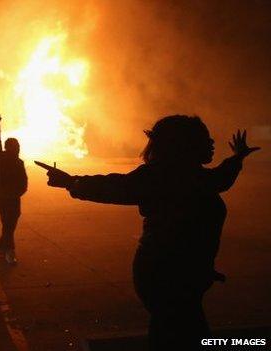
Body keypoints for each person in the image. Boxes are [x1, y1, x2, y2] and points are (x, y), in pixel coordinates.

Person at [45, 115, 260, 350]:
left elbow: (221, 178)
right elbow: (115, 187)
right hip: (164, 274)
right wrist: (72, 182)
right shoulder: (160, 176)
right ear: (183, 144)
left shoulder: (196, 176)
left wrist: (237, 157)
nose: (211, 143)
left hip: (180, 275)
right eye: (203, 138)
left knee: (174, 334)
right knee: (182, 334)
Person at [0, 114, 28, 264]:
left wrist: (20, 191)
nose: (18, 149)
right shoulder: (1, 157)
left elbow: (24, 179)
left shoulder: (19, 162)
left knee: (9, 223)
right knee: (8, 224)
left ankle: (1, 247)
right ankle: (9, 252)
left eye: (18, 147)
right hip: (3, 196)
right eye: (16, 147)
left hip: (13, 197)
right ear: (9, 148)